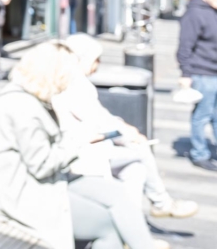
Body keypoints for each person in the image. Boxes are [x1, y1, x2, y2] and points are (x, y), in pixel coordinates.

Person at [0, 42, 215, 249]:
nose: (67, 83)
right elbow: (42, 164)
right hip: (26, 195)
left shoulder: (30, 100)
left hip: (42, 184)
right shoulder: (21, 105)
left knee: (115, 194)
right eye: (65, 75)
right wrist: (77, 141)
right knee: (105, 223)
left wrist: (75, 138)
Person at [57, 34, 198, 221]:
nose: (98, 65)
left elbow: (100, 117)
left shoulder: (72, 82)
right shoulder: (76, 85)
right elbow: (99, 122)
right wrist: (127, 134)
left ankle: (131, 226)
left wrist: (122, 129)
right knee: (141, 150)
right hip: (82, 151)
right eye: (96, 59)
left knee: (136, 171)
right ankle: (161, 203)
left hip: (87, 146)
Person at [176, 0, 217, 171]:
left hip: (213, 71)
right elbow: (185, 45)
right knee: (202, 114)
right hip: (203, 72)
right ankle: (200, 153)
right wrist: (186, 73)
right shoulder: (195, 13)